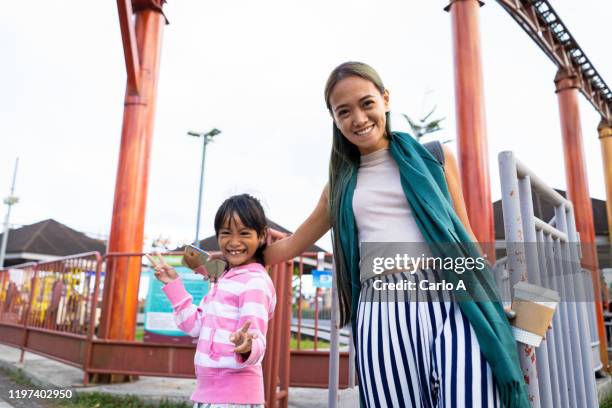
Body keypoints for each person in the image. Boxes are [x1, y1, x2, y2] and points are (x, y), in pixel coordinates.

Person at [264, 62, 529, 407]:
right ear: (334, 119)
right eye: (344, 112)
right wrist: (233, 261)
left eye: (367, 103)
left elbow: (465, 239)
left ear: (385, 99)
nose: (358, 118)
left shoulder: (435, 157)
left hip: (449, 297)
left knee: (474, 395)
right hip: (382, 310)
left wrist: (495, 297)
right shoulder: (339, 187)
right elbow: (293, 243)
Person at [148, 194, 276, 408]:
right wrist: (174, 284)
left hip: (234, 398)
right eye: (226, 233)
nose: (234, 242)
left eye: (244, 233)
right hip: (208, 394)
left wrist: (247, 345)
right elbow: (195, 326)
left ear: (261, 235)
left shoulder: (255, 282)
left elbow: (256, 341)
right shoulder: (223, 279)